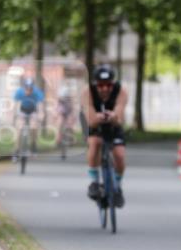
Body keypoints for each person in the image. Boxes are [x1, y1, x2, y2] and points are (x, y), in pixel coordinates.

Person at [83, 65, 129, 208]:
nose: (105, 89)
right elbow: (90, 118)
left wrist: (113, 116)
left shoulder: (121, 91)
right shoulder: (87, 92)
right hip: (95, 124)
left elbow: (119, 114)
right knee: (95, 142)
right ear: (96, 84)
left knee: (119, 155)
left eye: (108, 85)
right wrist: (97, 117)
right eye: (101, 85)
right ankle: (94, 181)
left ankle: (117, 187)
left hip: (113, 125)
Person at [12, 77, 45, 159]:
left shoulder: (37, 92)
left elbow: (40, 105)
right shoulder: (19, 92)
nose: (28, 91)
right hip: (22, 110)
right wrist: (14, 116)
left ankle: (33, 145)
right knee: (19, 129)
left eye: (30, 89)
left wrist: (41, 114)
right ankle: (16, 151)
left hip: (33, 110)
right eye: (26, 89)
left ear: (32, 88)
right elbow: (16, 105)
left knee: (33, 127)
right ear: (24, 87)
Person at [55, 86, 75, 151]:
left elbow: (72, 109)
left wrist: (72, 117)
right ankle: (58, 140)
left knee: (70, 123)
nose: (64, 98)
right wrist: (56, 115)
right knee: (59, 123)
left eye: (66, 96)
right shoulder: (59, 100)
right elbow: (57, 110)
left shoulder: (70, 100)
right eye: (63, 96)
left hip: (68, 112)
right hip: (61, 113)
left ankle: (70, 137)